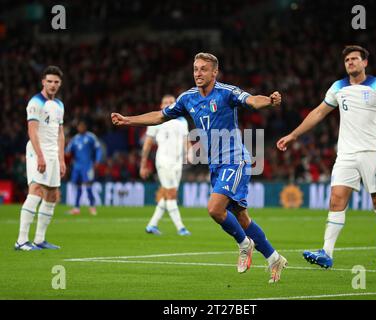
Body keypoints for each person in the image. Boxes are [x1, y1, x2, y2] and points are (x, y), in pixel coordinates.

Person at [111, 52, 288, 283]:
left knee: (215, 208)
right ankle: (274, 258)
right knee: (241, 217)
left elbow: (252, 100)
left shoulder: (227, 92)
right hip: (215, 164)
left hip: (235, 159)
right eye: (195, 69)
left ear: (215, 72)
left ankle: (245, 244)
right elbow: (159, 116)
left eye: (203, 69)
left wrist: (269, 101)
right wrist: (128, 120)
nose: (198, 73)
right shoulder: (188, 98)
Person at [277, 45, 376, 270]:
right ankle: (327, 252)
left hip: (373, 152)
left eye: (354, 59)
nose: (350, 63)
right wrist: (293, 135)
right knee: (336, 200)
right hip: (346, 154)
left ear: (365, 63)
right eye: (347, 60)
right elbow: (319, 113)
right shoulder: (338, 87)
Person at [15, 66, 66, 251]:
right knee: (36, 190)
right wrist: (40, 156)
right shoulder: (36, 102)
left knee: (52, 194)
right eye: (50, 81)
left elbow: (60, 133)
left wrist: (61, 159)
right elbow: (32, 130)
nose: (53, 85)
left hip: (53, 153)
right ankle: (21, 241)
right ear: (43, 82)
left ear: (60, 84)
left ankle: (39, 239)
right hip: (38, 150)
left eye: (56, 82)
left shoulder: (59, 105)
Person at [141, 94, 191, 236]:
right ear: (161, 105)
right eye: (166, 102)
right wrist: (143, 164)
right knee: (171, 193)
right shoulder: (156, 121)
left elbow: (186, 141)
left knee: (166, 194)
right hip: (164, 162)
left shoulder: (182, 121)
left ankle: (151, 225)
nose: (169, 104)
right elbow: (147, 144)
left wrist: (189, 152)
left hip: (177, 164)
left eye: (171, 102)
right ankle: (181, 228)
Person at [65, 120, 102, 215]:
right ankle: (76, 208)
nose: (80, 128)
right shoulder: (75, 139)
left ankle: (92, 207)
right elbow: (68, 151)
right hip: (77, 167)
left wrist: (97, 161)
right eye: (79, 127)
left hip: (88, 166)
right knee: (77, 187)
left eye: (82, 126)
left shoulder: (91, 137)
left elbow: (98, 149)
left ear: (85, 127)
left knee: (88, 186)